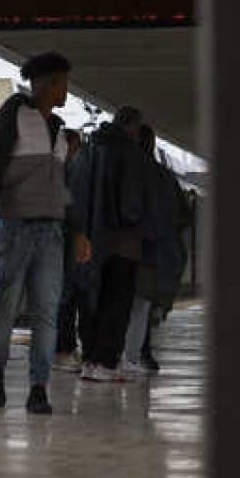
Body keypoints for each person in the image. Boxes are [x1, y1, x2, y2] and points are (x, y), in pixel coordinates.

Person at [0, 53, 91, 415]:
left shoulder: (59, 130)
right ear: (47, 84)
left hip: (51, 233)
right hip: (15, 227)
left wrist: (78, 232)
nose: (66, 90)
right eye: (62, 83)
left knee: (47, 313)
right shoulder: (12, 118)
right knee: (6, 309)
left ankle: (39, 389)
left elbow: (62, 188)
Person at [68, 107, 148, 382]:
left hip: (90, 238)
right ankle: (106, 362)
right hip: (121, 242)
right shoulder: (129, 153)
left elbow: (76, 192)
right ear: (133, 127)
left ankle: (90, 360)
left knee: (92, 300)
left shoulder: (89, 149)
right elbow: (131, 205)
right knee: (117, 302)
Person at [122, 124, 187, 374]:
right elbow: (181, 216)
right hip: (151, 253)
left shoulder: (124, 172)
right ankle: (135, 355)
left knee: (121, 304)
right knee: (142, 306)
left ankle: (118, 356)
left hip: (124, 248)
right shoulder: (163, 176)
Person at [53, 128, 86, 372]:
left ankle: (64, 347)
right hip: (62, 242)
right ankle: (62, 349)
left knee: (65, 297)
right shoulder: (65, 173)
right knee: (65, 297)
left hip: (62, 241)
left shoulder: (60, 171)